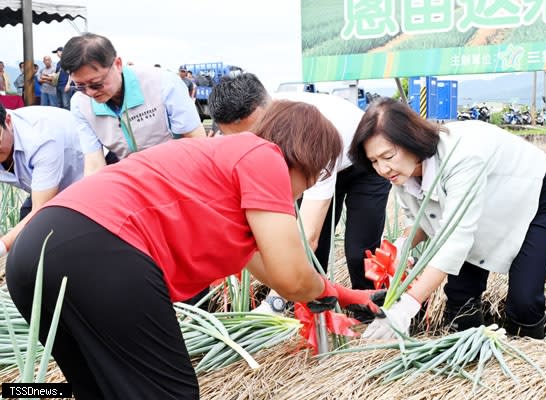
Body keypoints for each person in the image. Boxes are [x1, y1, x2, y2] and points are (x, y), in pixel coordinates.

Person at [6, 100, 379, 399]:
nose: (297, 195)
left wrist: (344, 295)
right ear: (306, 158)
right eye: (310, 180)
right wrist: (320, 291)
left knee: (100, 389)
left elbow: (271, 270)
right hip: (100, 252)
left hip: (33, 256)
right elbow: (292, 278)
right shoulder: (264, 156)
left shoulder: (219, 170)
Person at [348, 98, 546, 340]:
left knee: (524, 300)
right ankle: (472, 357)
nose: (382, 169)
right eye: (374, 161)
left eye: (387, 155)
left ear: (410, 140)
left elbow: (455, 239)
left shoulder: (461, 156)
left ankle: (526, 363)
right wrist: (402, 246)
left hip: (533, 191)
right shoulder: (402, 173)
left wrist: (408, 305)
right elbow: (419, 219)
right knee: (460, 295)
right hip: (481, 204)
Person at [208, 73, 391, 319]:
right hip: (308, 162)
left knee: (359, 248)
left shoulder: (308, 131)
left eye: (257, 134)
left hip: (358, 162)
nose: (252, 145)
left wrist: (274, 300)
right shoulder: (225, 141)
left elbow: (307, 236)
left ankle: (369, 312)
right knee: (316, 253)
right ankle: (313, 311)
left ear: (271, 111)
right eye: (241, 139)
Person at [60, 33, 206, 176]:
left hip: (175, 171)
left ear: (117, 65)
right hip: (131, 177)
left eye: (96, 84)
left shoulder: (162, 83)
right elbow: (94, 163)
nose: (90, 93)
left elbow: (196, 140)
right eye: (80, 86)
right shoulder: (80, 104)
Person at [0, 103, 84, 258]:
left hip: (86, 176)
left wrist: (2, 245)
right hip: (47, 184)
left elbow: (40, 209)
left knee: (56, 239)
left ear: (8, 121)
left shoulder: (39, 137)